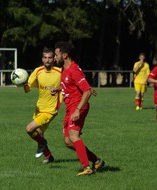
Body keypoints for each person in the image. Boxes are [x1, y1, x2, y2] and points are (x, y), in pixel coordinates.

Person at [52, 41, 105, 176]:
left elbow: (86, 91)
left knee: (74, 136)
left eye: (56, 55)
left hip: (78, 106)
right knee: (68, 142)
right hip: (70, 107)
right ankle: (97, 160)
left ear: (64, 55)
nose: (54, 58)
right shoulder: (64, 69)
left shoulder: (74, 70)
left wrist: (77, 110)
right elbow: (70, 85)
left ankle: (87, 167)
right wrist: (58, 89)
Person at [24, 47, 62, 163]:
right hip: (39, 108)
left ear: (54, 59)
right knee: (38, 134)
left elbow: (68, 86)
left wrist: (58, 89)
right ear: (42, 59)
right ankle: (49, 156)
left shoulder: (60, 72)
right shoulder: (38, 71)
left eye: (50, 57)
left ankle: (43, 144)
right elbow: (27, 89)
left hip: (51, 110)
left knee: (29, 129)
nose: (47, 60)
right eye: (45, 58)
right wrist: (23, 84)